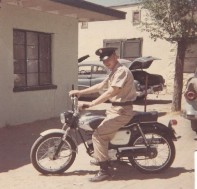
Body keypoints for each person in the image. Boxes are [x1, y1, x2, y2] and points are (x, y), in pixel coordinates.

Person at [69, 47, 137, 182]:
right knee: (98, 128)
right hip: (115, 109)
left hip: (122, 111)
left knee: (98, 135)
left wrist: (91, 103)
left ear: (115, 56)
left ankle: (104, 170)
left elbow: (111, 92)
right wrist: (80, 92)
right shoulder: (114, 71)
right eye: (103, 61)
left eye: (108, 59)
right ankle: (105, 156)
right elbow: (100, 86)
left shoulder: (122, 71)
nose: (106, 63)